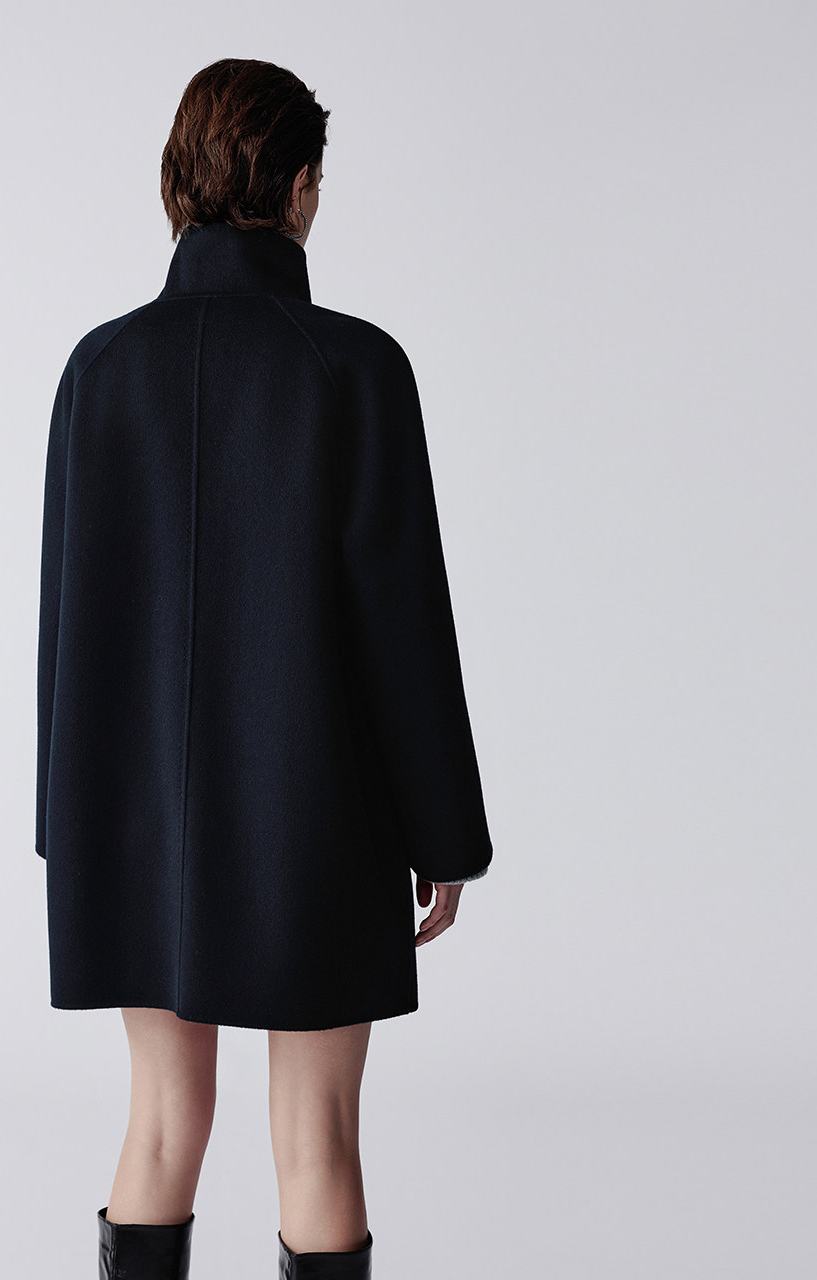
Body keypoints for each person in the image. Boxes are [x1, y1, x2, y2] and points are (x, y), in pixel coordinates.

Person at [37, 58, 494, 1280]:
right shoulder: (352, 367)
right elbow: (402, 621)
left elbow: (65, 619)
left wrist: (65, 823)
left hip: (134, 819)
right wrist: (443, 832)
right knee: (319, 1136)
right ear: (298, 185)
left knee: (158, 1120)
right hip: (317, 814)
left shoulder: (98, 371)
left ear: (176, 182)